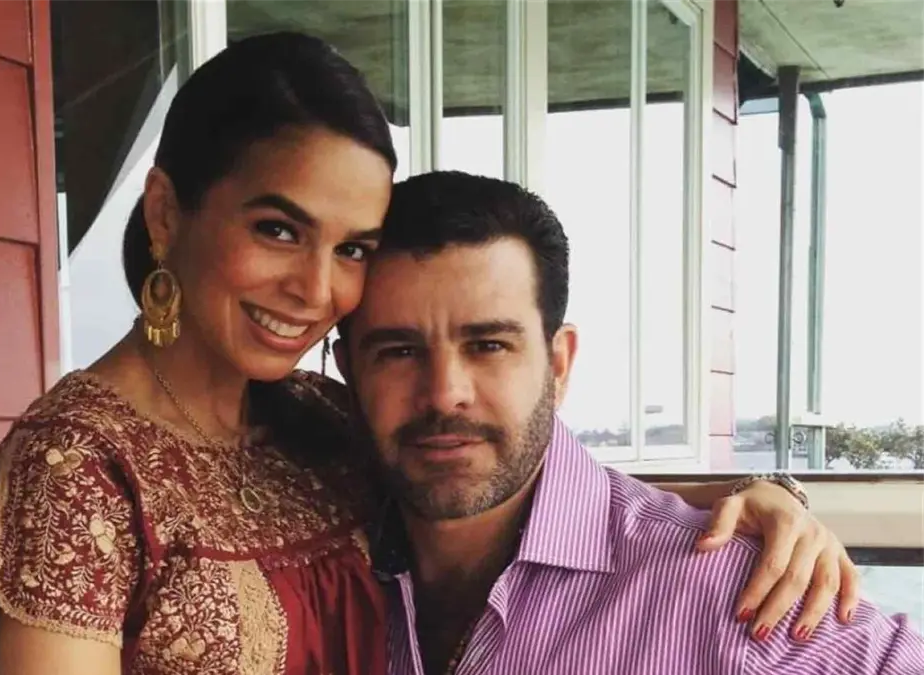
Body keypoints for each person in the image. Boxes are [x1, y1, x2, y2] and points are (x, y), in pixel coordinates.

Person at [0, 32, 861, 675]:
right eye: (277, 229)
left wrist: (757, 497)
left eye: (350, 248)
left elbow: (501, 465)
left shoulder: (314, 419)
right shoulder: (78, 469)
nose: (315, 288)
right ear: (165, 212)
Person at [334, 170, 924, 675]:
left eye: (488, 345)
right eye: (398, 352)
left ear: (559, 364)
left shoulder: (736, 595)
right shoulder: (321, 553)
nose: (445, 394)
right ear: (348, 371)